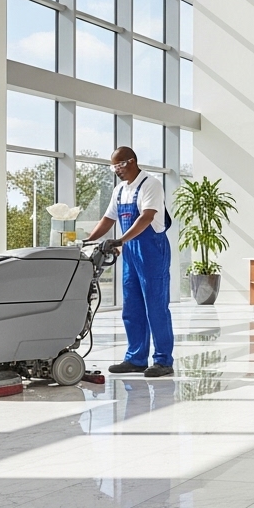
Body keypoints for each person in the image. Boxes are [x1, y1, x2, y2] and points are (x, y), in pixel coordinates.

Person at [85, 146, 175, 378]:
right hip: (130, 252)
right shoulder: (120, 190)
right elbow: (108, 219)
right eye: (113, 167)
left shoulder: (151, 184)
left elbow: (146, 218)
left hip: (152, 250)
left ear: (132, 161)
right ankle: (136, 358)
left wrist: (120, 240)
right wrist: (88, 241)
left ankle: (163, 360)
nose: (116, 170)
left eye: (119, 165)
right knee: (132, 306)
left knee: (156, 306)